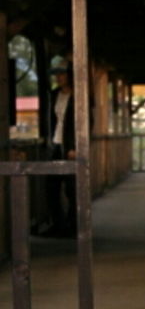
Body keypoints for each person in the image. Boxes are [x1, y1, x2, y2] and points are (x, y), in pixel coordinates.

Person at [46, 59, 77, 237]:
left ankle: (74, 227)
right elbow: (50, 119)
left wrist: (75, 146)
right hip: (55, 145)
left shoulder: (79, 96)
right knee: (51, 187)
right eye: (56, 74)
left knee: (72, 189)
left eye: (62, 74)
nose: (58, 77)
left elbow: (87, 122)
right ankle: (58, 225)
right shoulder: (54, 95)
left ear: (70, 75)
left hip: (71, 147)